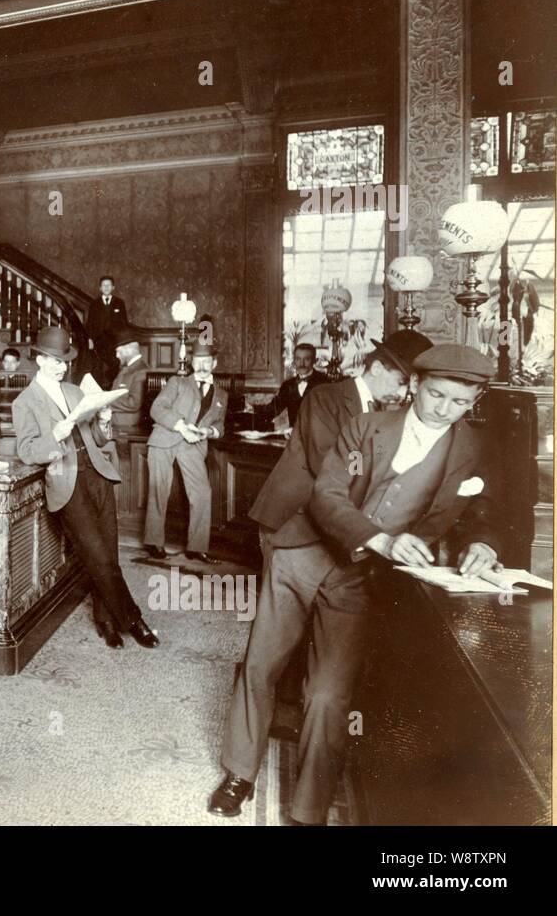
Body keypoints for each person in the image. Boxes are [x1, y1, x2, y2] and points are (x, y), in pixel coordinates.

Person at [210, 343, 501, 824]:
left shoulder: (473, 450)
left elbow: (486, 510)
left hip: (361, 582)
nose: (444, 410)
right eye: (436, 396)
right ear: (413, 386)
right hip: (301, 554)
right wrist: (380, 539)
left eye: (459, 403)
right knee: (261, 664)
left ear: (474, 402)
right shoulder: (368, 428)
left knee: (327, 694)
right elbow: (327, 494)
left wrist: (485, 543)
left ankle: (308, 807)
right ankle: (239, 773)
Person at [13, 326, 158, 651]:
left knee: (108, 553)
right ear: (38, 359)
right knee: (95, 553)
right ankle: (133, 620)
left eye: (64, 360)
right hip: (67, 482)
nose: (61, 366)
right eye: (54, 360)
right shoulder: (25, 402)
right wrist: (57, 434)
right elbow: (26, 450)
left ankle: (106, 621)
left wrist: (105, 420)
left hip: (97, 475)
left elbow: (100, 438)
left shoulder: (77, 392)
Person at [248, 330, 433, 548]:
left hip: (331, 524)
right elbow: (329, 461)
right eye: (401, 382)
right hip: (290, 521)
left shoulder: (385, 411)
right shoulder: (325, 397)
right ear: (376, 369)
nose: (402, 395)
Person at [142, 342, 227, 563]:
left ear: (214, 363)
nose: (202, 366)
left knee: (202, 492)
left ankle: (196, 548)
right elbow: (157, 408)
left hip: (193, 445)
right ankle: (154, 542)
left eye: (207, 361)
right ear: (191, 362)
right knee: (159, 490)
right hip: (165, 439)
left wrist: (208, 431)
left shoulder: (222, 395)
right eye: (198, 361)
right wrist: (182, 427)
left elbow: (220, 425)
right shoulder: (177, 382)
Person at [272, 343, 328, 427]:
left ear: (314, 360)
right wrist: (252, 409)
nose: (302, 364)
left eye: (307, 359)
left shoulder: (325, 383)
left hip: (318, 437)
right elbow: (273, 409)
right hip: (294, 435)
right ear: (294, 360)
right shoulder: (288, 385)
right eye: (298, 359)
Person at [86, 275, 128, 381]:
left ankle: (112, 389)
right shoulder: (94, 304)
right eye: (104, 285)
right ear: (100, 288)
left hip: (114, 342)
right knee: (98, 367)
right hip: (98, 341)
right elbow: (90, 323)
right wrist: (90, 339)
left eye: (108, 285)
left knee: (114, 366)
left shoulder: (119, 303)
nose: (106, 287)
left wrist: (122, 341)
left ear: (113, 287)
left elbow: (124, 323)